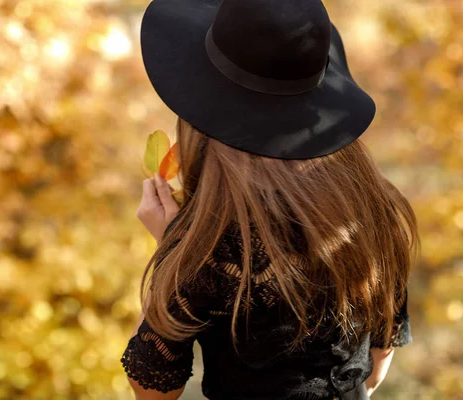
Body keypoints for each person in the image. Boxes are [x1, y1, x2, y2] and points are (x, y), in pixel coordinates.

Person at [120, 0, 420, 399]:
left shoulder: (209, 250)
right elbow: (372, 372)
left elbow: (153, 392)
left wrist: (170, 250)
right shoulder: (375, 212)